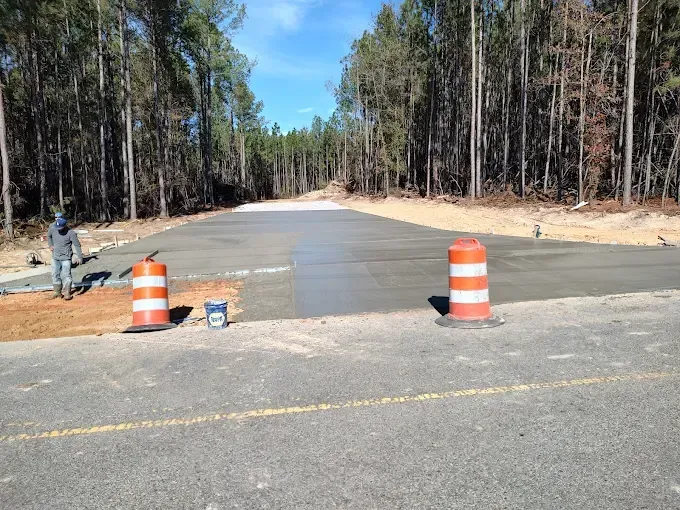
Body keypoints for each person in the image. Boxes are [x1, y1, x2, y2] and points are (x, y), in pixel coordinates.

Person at [47, 216, 83, 300]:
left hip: (66, 258)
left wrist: (80, 257)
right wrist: (50, 245)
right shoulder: (52, 229)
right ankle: (57, 292)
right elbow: (49, 236)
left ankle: (67, 293)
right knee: (55, 274)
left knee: (66, 275)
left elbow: (77, 245)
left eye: (60, 228)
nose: (58, 229)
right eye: (57, 227)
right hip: (55, 257)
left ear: (65, 226)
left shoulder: (71, 233)